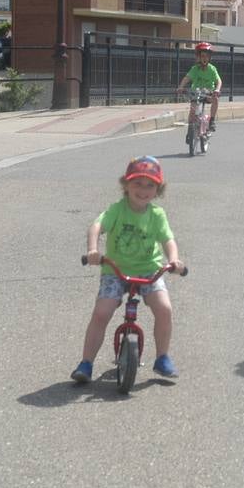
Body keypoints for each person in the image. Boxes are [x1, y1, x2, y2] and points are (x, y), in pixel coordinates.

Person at [72, 155, 184, 383]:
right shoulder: (117, 210)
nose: (143, 190)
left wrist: (174, 260)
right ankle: (86, 363)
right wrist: (93, 250)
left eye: (150, 185)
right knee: (101, 312)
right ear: (126, 185)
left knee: (164, 309)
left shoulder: (157, 215)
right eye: (137, 184)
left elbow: (168, 240)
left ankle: (162, 357)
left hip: (149, 270)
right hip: (116, 270)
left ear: (158, 189)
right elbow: (96, 227)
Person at [176, 42, 221, 132]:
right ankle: (190, 130)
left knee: (215, 99)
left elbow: (218, 81)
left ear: (210, 58)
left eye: (207, 56)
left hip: (208, 93)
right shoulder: (195, 69)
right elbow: (187, 78)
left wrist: (217, 89)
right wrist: (180, 87)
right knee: (193, 110)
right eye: (202, 56)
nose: (205, 58)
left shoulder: (212, 69)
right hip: (196, 93)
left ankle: (212, 121)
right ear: (198, 57)